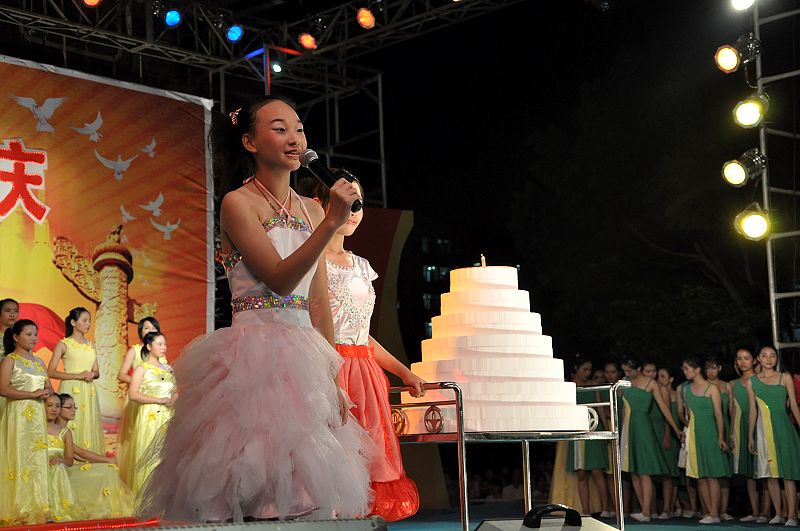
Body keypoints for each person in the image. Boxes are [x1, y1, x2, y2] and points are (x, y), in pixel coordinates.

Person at [135, 96, 373, 522]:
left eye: (299, 129)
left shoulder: (311, 208)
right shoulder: (237, 203)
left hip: (307, 361)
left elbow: (318, 300)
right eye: (279, 129)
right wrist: (331, 224)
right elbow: (279, 279)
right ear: (249, 141)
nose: (295, 138)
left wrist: (332, 377)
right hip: (252, 358)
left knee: (305, 488)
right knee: (253, 479)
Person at [300, 171, 423, 521]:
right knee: (333, 463)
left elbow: (361, 333)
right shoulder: (310, 263)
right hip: (327, 368)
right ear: (322, 205)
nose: (355, 211)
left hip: (365, 374)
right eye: (347, 202)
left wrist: (403, 371)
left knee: (369, 469)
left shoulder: (362, 267)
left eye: (359, 203)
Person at [0, 319, 54, 525]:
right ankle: (18, 508)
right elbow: (3, 389)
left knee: (36, 457)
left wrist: (47, 392)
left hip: (37, 416)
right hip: (18, 415)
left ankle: (37, 506)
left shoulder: (39, 362)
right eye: (29, 334)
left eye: (35, 334)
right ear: (16, 337)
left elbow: (49, 387)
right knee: (19, 456)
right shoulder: (9, 360)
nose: (34, 338)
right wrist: (31, 394)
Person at [619, 355, 683, 522]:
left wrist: (675, 428)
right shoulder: (624, 382)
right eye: (625, 370)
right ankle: (645, 509)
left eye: (629, 370)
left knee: (644, 470)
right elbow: (622, 408)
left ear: (638, 369)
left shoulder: (651, 384)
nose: (627, 373)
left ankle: (646, 512)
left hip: (643, 427)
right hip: (628, 427)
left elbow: (664, 408)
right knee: (632, 469)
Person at [747, 345, 800, 526]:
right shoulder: (752, 382)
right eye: (764, 355)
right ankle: (778, 513)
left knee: (788, 474)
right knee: (770, 473)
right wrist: (750, 436)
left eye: (772, 355)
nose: (768, 359)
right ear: (758, 359)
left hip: (784, 429)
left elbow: (793, 405)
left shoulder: (785, 378)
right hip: (763, 431)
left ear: (776, 359)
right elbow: (753, 410)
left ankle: (792, 515)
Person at [58, 393, 135, 518]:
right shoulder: (56, 430)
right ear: (59, 409)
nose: (74, 410)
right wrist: (108, 460)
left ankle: (112, 509)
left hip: (66, 469)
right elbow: (80, 453)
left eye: (74, 407)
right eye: (69, 407)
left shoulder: (65, 430)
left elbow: (79, 454)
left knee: (107, 468)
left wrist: (104, 461)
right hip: (59, 473)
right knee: (107, 469)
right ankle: (110, 510)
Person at [677, 356, 731, 524]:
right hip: (694, 435)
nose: (684, 371)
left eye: (687, 368)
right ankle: (708, 512)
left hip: (710, 433)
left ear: (697, 369)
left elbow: (719, 414)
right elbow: (686, 414)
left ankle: (715, 513)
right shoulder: (685, 390)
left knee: (712, 475)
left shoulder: (711, 388)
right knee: (699, 475)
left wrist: (720, 436)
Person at [48, 307, 104, 453]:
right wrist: (77, 376)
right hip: (70, 389)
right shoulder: (64, 344)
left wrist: (92, 375)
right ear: (73, 322)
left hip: (88, 390)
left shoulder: (91, 345)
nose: (88, 324)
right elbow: (51, 371)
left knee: (88, 424)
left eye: (89, 321)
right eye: (84, 320)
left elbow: (96, 371)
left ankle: (87, 459)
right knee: (72, 423)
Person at [127, 331, 176, 493]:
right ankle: (146, 495)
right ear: (149, 346)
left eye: (165, 344)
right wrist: (159, 400)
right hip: (150, 416)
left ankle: (164, 495)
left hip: (168, 415)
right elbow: (133, 394)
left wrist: (173, 399)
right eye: (159, 344)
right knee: (150, 454)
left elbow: (176, 390)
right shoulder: (142, 369)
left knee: (166, 455)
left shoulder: (169, 369)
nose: (164, 347)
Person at [565, 356, 612, 517]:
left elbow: (600, 408)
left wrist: (607, 430)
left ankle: (606, 509)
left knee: (597, 471)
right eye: (584, 369)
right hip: (577, 432)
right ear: (576, 369)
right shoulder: (569, 387)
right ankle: (585, 511)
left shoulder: (593, 386)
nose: (587, 372)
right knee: (581, 473)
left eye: (589, 370)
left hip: (593, 429)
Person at [117, 316, 161, 486]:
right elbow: (122, 375)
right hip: (138, 399)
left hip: (157, 403)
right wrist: (139, 384)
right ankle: (136, 481)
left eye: (153, 328)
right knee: (137, 437)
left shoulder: (160, 352)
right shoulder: (134, 351)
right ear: (140, 332)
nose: (150, 331)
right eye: (146, 328)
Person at [730, 347, 760, 522]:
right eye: (739, 358)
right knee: (748, 472)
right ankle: (755, 512)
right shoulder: (733, 384)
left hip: (760, 425)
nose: (742, 362)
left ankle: (768, 512)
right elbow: (733, 411)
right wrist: (731, 434)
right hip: (741, 428)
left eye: (746, 358)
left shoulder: (760, 379)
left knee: (764, 471)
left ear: (754, 360)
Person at [704, 356, 733, 521]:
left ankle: (723, 510)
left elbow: (732, 411)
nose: (711, 371)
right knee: (710, 471)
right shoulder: (702, 386)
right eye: (708, 368)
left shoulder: (726, 386)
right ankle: (710, 510)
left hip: (725, 427)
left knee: (724, 472)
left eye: (714, 368)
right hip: (708, 427)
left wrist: (732, 433)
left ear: (720, 368)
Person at [45, 393, 78, 522]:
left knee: (58, 468)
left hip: (59, 471)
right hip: (40, 471)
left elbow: (70, 460)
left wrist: (61, 460)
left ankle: (58, 510)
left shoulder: (65, 432)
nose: (54, 409)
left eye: (57, 406)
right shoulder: (36, 428)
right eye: (50, 405)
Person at [0, 298, 20, 416]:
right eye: (8, 311)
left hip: (18, 387)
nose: (12, 314)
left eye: (15, 311)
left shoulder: (21, 338)